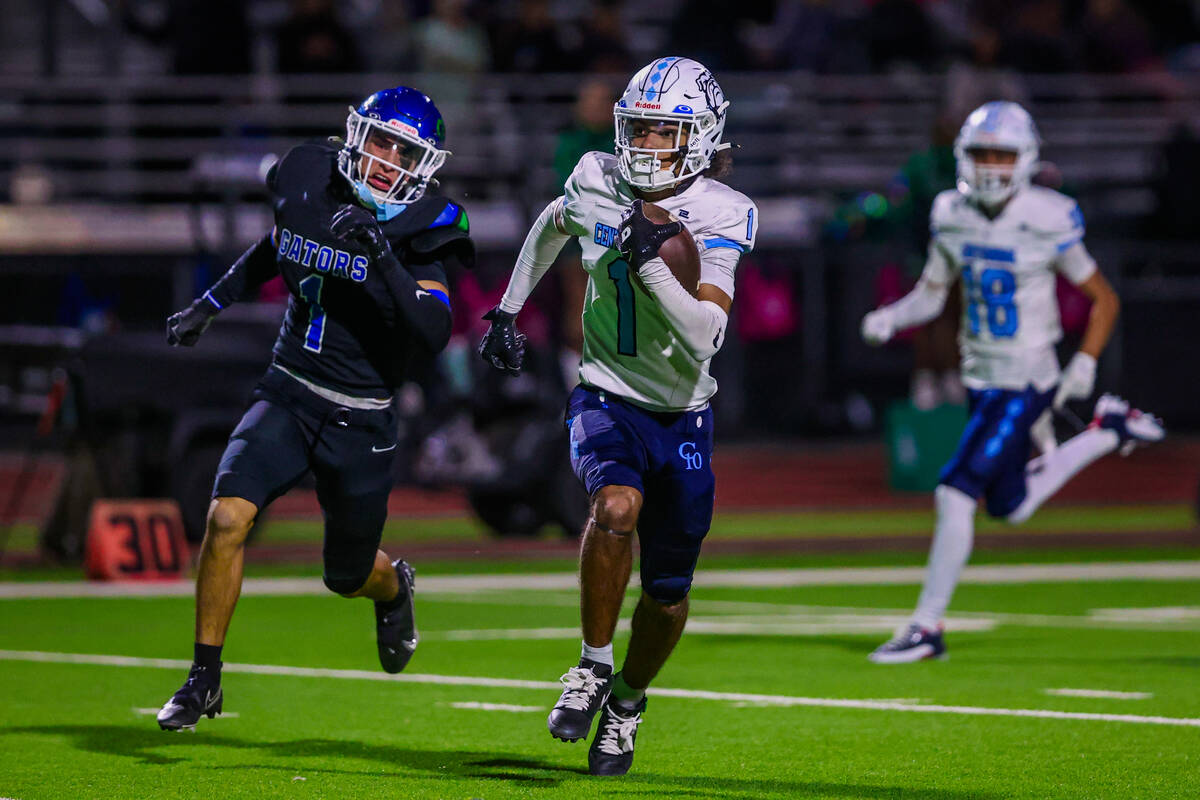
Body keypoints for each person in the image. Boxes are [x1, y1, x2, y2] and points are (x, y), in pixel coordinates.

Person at [156, 87, 473, 729]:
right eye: (380, 142)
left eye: (403, 151)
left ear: (425, 164)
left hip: (362, 415)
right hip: (289, 390)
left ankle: (393, 587)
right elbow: (279, 246)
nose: (386, 160)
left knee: (347, 575)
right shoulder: (309, 175)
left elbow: (433, 330)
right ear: (355, 136)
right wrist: (210, 305)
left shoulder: (426, 228)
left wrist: (381, 254)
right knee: (225, 518)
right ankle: (203, 679)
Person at [479, 57, 757, 776]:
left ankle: (628, 701)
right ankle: (592, 665)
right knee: (615, 506)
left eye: (664, 132)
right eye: (637, 128)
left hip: (682, 414)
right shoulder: (597, 176)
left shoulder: (723, 212)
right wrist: (509, 309)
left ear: (700, 137)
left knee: (666, 597)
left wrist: (652, 263)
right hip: (605, 392)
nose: (646, 144)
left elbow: (707, 336)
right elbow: (552, 223)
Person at [860, 101, 1164, 664]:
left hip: (1025, 379)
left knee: (955, 492)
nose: (991, 166)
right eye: (981, 153)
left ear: (1024, 159)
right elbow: (932, 292)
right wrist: (892, 317)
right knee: (1011, 505)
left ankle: (926, 627)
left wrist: (1085, 361)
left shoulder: (1047, 216)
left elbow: (1104, 298)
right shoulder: (952, 212)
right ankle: (1108, 430)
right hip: (982, 377)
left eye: (1002, 155)